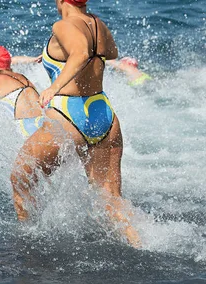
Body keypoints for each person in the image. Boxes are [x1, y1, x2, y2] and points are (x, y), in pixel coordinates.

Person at [9, 0, 141, 247]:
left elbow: (79, 53)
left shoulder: (63, 25)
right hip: (103, 113)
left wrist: (53, 87)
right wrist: (53, 54)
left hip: (69, 113)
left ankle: (29, 243)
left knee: (20, 178)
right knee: (111, 199)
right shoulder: (96, 23)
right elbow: (109, 53)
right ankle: (142, 244)